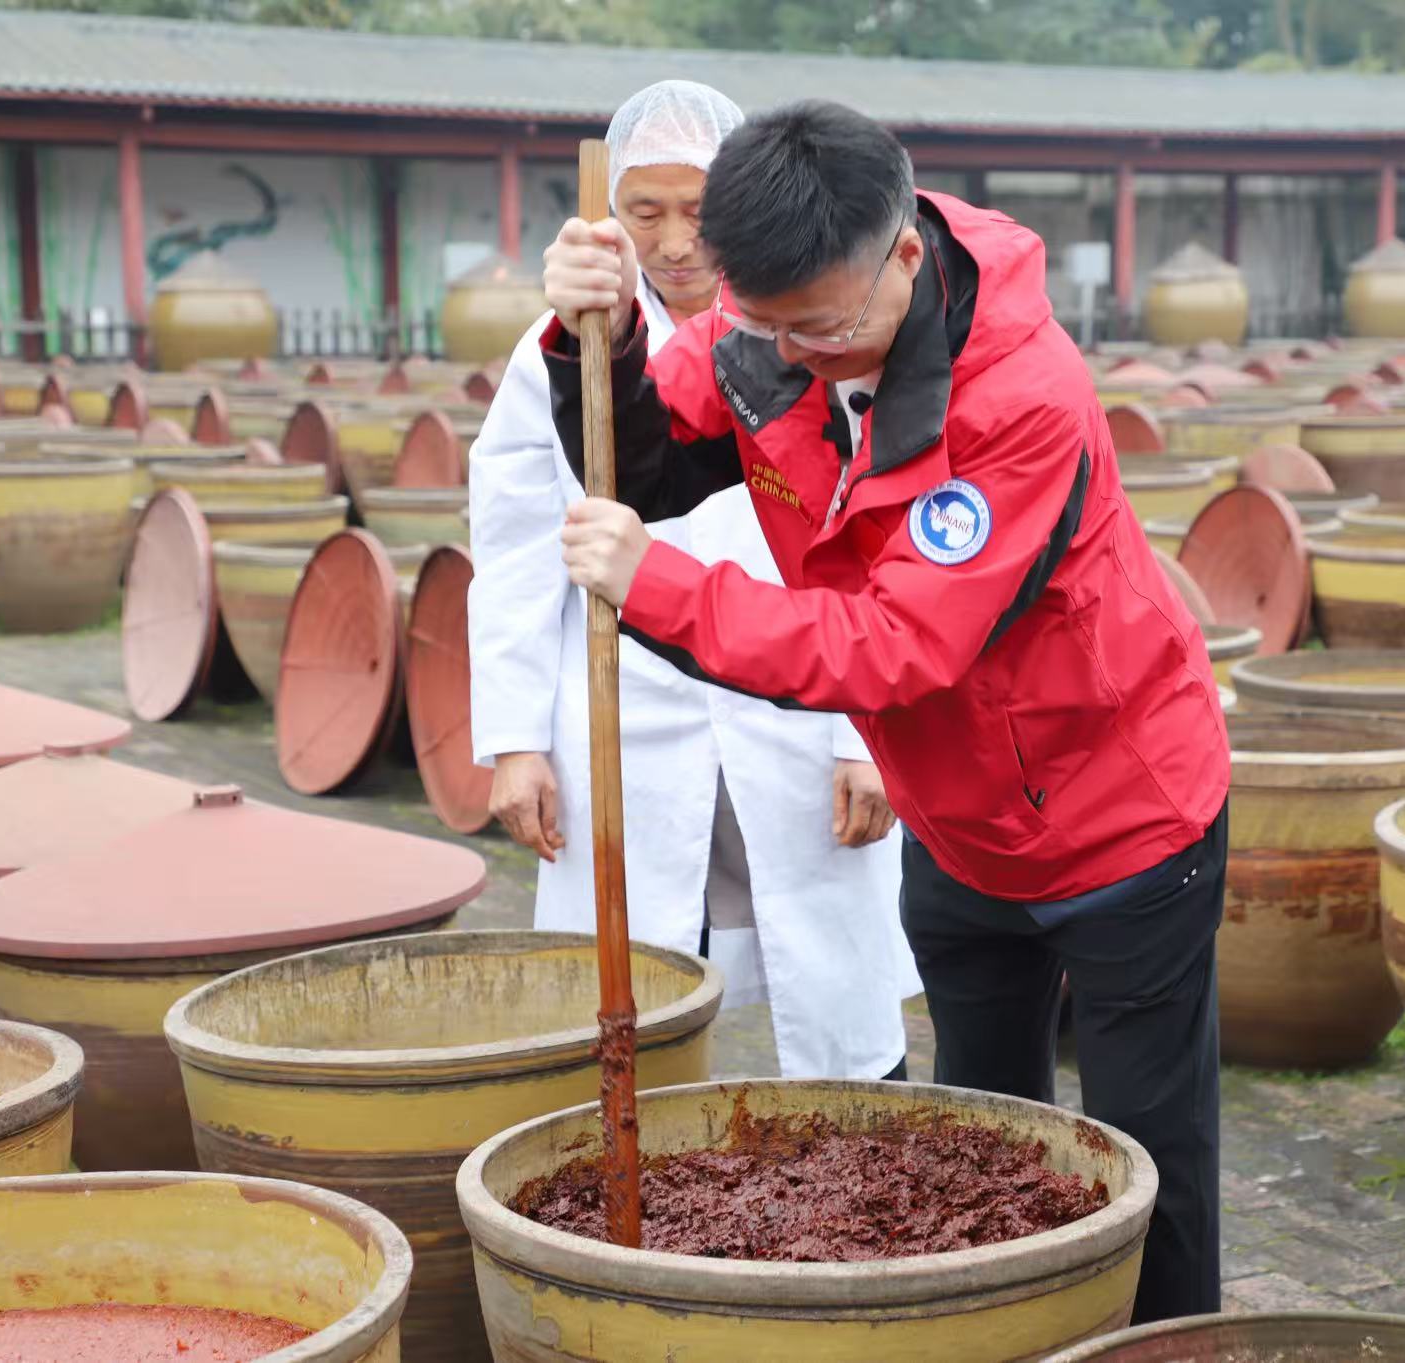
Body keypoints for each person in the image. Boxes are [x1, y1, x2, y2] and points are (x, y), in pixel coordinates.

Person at [539, 100, 1229, 1322]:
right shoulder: (763, 329)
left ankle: (1167, 1343)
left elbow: (897, 645)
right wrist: (584, 337)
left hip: (1120, 819)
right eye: (765, 326)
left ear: (904, 251)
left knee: (1146, 1163)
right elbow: (641, 458)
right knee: (976, 1143)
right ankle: (1001, 1333)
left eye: (824, 328)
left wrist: (659, 583)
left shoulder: (1019, 400)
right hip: (955, 821)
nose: (793, 356)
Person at [467, 80, 920, 1083]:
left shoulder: (818, 330)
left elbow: (877, 546)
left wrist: (864, 736)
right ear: (607, 217)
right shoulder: (556, 355)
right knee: (632, 989)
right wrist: (512, 741)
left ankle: (856, 1145)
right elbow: (509, 547)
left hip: (797, 701)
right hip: (624, 712)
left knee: (832, 982)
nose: (673, 242)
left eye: (696, 209)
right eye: (645, 212)